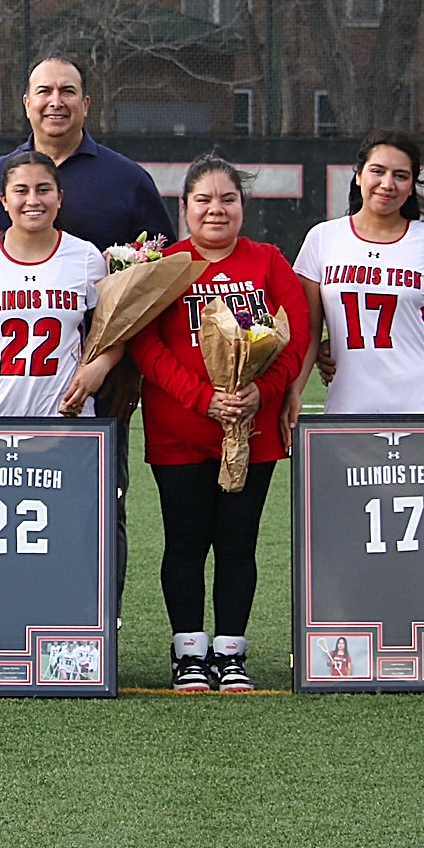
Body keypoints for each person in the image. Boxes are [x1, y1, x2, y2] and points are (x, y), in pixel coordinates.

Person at [0, 53, 175, 611]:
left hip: (104, 384)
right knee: (7, 500)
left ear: (87, 103)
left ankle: (93, 627)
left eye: (68, 91)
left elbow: (158, 280)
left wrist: (124, 369)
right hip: (11, 384)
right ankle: (11, 616)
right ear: (26, 103)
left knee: (101, 503)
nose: (55, 101)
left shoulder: (127, 180)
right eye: (43, 91)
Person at [127, 154, 312, 692]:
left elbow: (293, 338)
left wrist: (260, 392)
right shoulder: (164, 264)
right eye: (203, 200)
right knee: (184, 542)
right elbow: (144, 343)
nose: (216, 210)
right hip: (180, 429)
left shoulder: (268, 261)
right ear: (184, 207)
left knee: (238, 543)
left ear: (242, 207)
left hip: (251, 433)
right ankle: (188, 649)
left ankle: (231, 650)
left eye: (227, 199)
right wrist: (202, 398)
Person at [295, 129, 424, 414]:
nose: (387, 184)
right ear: (359, 175)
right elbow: (308, 332)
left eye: (400, 175)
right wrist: (292, 394)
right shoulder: (322, 239)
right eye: (377, 171)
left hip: (420, 401)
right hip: (349, 402)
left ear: (411, 185)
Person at [0, 150, 119, 421]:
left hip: (65, 416)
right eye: (21, 190)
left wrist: (101, 366)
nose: (33, 200)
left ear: (59, 198)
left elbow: (116, 331)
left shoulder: (86, 257)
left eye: (43, 190)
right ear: (4, 200)